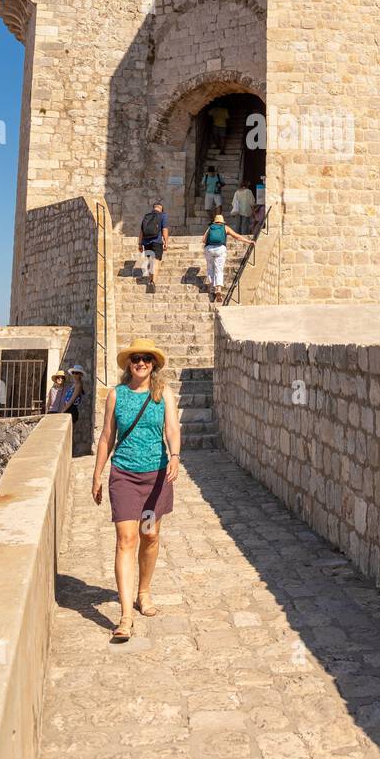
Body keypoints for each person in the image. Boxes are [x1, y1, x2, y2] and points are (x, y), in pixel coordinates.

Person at [91, 339, 181, 642]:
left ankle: (144, 591)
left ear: (153, 364)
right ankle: (126, 615)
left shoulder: (163, 394)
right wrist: (97, 474)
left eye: (145, 359)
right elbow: (106, 437)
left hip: (154, 477)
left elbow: (172, 429)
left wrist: (176, 457)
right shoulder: (116, 395)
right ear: (128, 364)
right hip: (125, 476)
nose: (140, 363)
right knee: (125, 540)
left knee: (150, 535)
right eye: (135, 359)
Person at [202, 207, 253, 303]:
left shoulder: (210, 228)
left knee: (210, 268)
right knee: (219, 269)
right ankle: (218, 289)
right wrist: (248, 241)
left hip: (209, 249)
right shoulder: (225, 228)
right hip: (220, 249)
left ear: (215, 222)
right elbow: (237, 236)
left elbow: (203, 240)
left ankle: (211, 287)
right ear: (222, 222)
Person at [139, 200, 169, 287]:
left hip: (146, 242)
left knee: (150, 261)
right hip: (157, 241)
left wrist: (140, 244)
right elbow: (164, 229)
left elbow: (141, 231)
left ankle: (150, 279)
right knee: (156, 262)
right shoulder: (163, 215)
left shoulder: (146, 216)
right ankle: (153, 282)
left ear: (153, 208)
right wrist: (166, 242)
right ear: (161, 209)